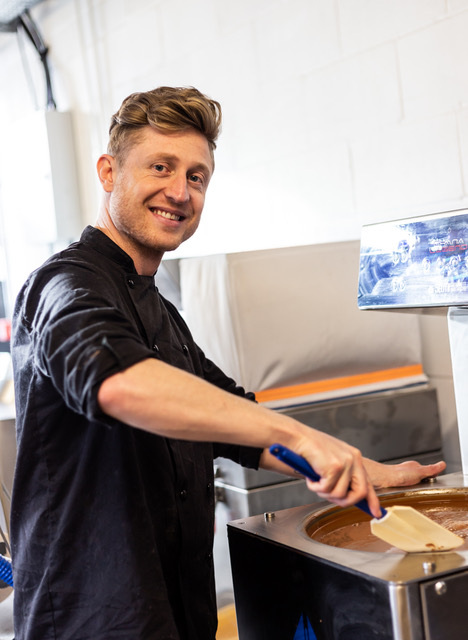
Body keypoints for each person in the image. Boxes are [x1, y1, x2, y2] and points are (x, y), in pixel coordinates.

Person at [10, 86, 446, 640]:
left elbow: (242, 428)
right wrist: (302, 437)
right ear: (107, 171)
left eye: (196, 177)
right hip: (89, 619)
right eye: (160, 167)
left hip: (177, 617)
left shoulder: (160, 310)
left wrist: (365, 471)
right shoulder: (64, 284)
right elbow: (114, 382)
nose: (179, 191)